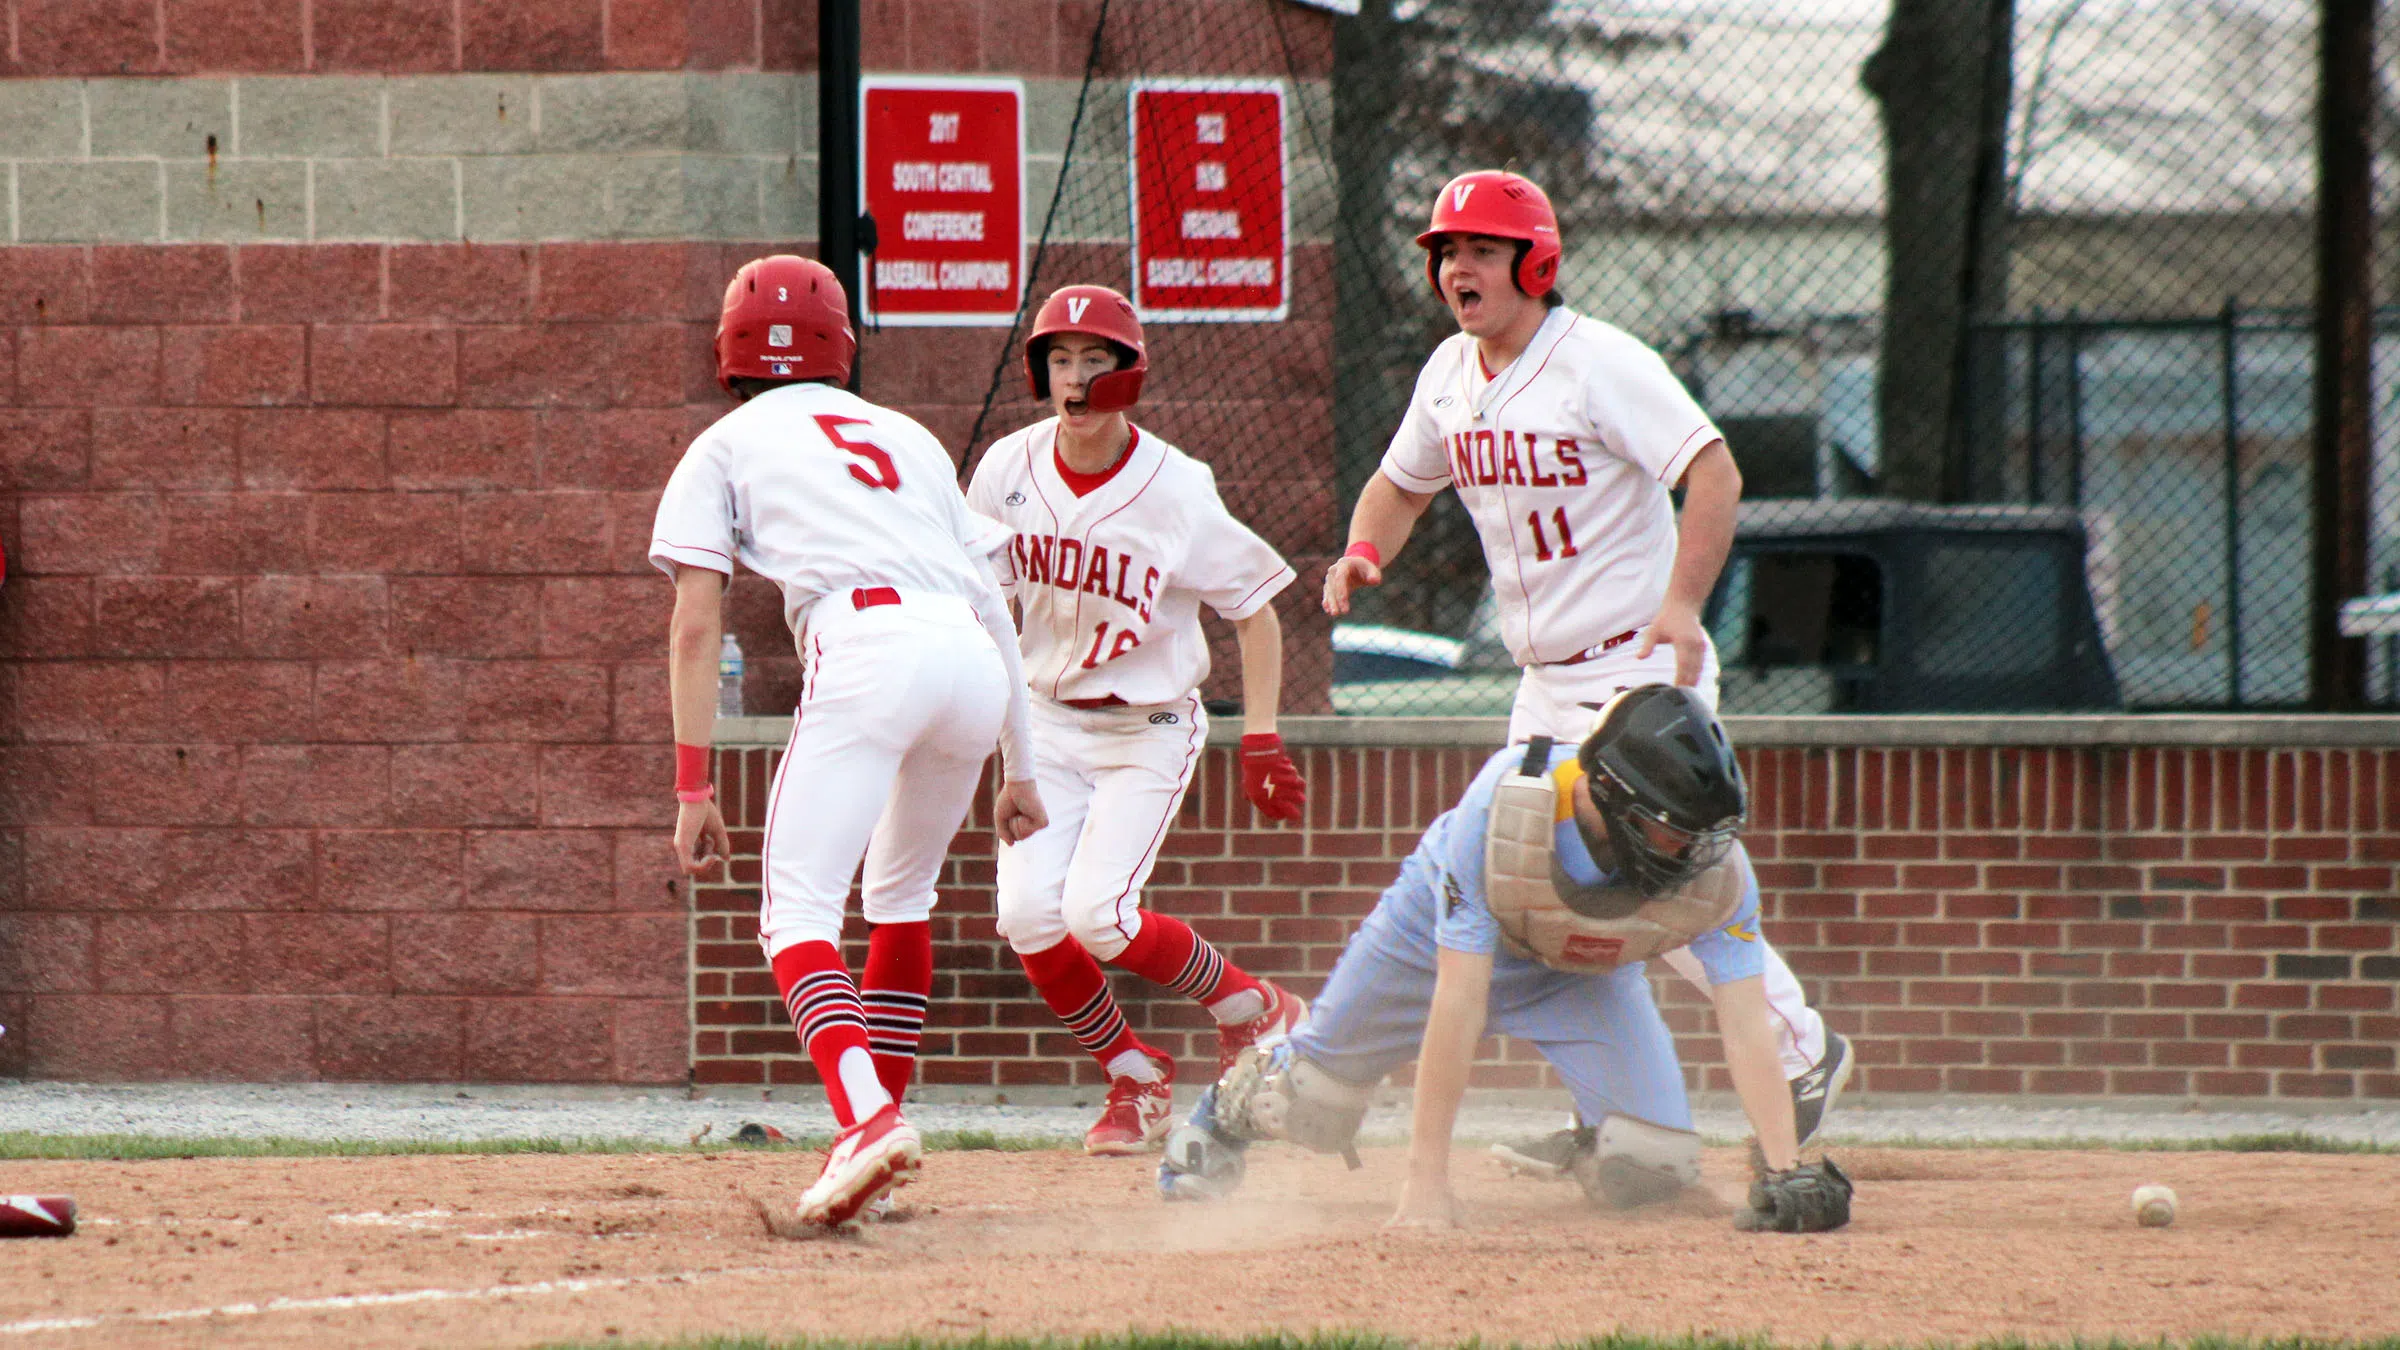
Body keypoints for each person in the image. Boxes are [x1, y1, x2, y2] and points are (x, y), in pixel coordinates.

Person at [1319, 170, 1850, 1167]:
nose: (1457, 268)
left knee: (1664, 889)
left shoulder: (1599, 362)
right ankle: (1611, 1110)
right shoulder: (1448, 374)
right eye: (1446, 251)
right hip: (1544, 682)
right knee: (1537, 887)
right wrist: (1363, 552)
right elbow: (1399, 485)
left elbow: (1714, 472)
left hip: (1637, 674)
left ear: (1538, 263)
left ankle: (1799, 1050)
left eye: (1481, 249)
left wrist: (1684, 601)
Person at [651, 255, 1047, 1229]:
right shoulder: (904, 436)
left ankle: (866, 1120)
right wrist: (1022, 763)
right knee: (902, 895)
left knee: (796, 916)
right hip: (968, 655)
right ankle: (881, 1124)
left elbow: (696, 625)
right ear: (842, 346)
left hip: (868, 645)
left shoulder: (724, 443)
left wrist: (693, 786)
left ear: (728, 351)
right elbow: (995, 602)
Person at [1155, 685, 1853, 1235]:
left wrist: (1785, 1170)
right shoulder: (1507, 806)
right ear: (1609, 795)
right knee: (1313, 1106)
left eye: (1703, 836)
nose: (1694, 854)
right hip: (1428, 945)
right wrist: (1427, 1182)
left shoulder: (1719, 872)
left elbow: (1747, 1024)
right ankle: (1232, 1106)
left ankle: (1585, 1140)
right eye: (1673, 833)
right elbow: (1459, 1000)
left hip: (1579, 971)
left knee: (1652, 1167)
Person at [966, 284, 1311, 1155]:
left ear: (1129, 376)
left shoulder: (1176, 485)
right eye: (1058, 360)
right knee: (1026, 918)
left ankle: (1253, 1005)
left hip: (1145, 727)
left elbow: (1256, 606)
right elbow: (984, 608)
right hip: (1043, 721)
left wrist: (1261, 734)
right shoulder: (1007, 469)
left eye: (1094, 361)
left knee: (1099, 917)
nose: (1073, 380)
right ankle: (1135, 1075)